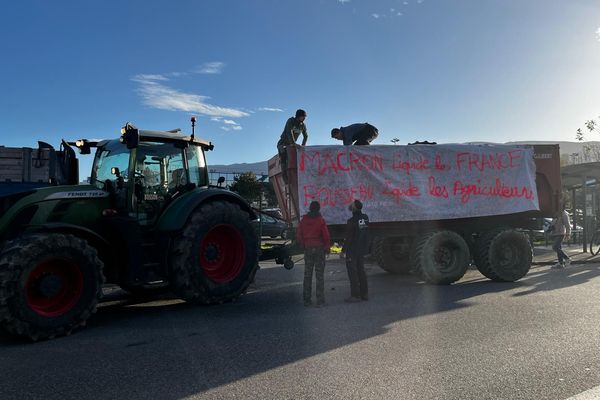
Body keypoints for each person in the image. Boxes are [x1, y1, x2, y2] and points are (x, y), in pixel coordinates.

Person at [296, 201, 331, 307]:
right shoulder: (320, 220)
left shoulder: (304, 220)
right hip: (319, 248)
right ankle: (320, 301)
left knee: (307, 275)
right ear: (318, 209)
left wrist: (303, 244)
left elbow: (298, 234)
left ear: (310, 208)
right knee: (319, 275)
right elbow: (326, 235)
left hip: (308, 248)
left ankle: (307, 300)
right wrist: (327, 247)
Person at [342, 200, 370, 302]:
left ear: (353, 208)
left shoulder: (351, 221)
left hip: (352, 249)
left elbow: (348, 237)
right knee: (361, 271)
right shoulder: (365, 218)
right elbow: (363, 232)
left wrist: (343, 250)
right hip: (361, 249)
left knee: (352, 272)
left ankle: (355, 295)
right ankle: (364, 294)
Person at [277, 109, 308, 183]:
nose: (304, 118)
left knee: (294, 159)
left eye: (305, 117)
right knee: (284, 156)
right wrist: (293, 143)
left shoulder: (302, 125)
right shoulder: (291, 121)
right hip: (283, 143)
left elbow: (306, 136)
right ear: (299, 116)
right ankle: (285, 178)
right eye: (303, 116)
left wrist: (303, 145)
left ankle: (297, 176)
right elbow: (289, 132)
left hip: (291, 145)